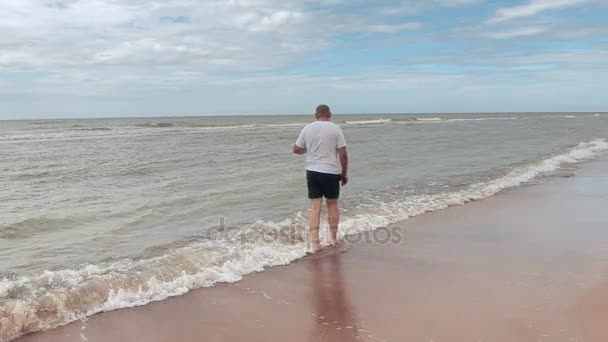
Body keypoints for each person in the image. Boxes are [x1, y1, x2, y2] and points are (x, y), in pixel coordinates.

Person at [293, 104, 349, 253]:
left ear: (316, 115)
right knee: (332, 205)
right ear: (329, 114)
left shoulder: (307, 128)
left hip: (312, 172)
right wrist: (344, 173)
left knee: (315, 207)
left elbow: (296, 149)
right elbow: (343, 154)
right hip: (330, 172)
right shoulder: (335, 128)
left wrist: (308, 149)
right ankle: (333, 238)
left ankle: (315, 243)